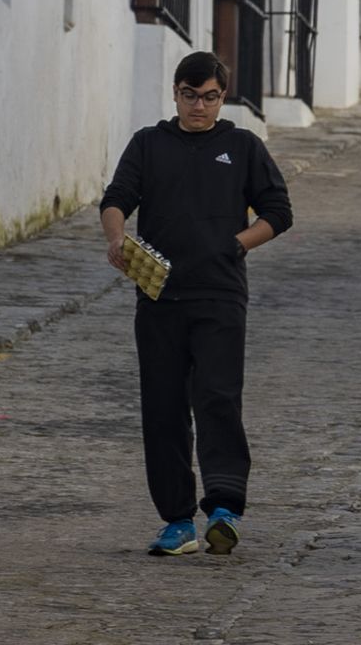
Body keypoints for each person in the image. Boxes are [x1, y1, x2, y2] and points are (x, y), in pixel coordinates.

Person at [100, 49, 293, 558]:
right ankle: (178, 521)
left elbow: (278, 211)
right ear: (176, 93)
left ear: (222, 98)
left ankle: (225, 509)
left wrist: (236, 244)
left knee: (217, 399)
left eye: (209, 97)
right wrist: (117, 238)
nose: (199, 107)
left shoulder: (243, 146)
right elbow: (117, 196)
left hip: (220, 295)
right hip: (158, 295)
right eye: (190, 96)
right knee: (162, 409)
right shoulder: (148, 144)